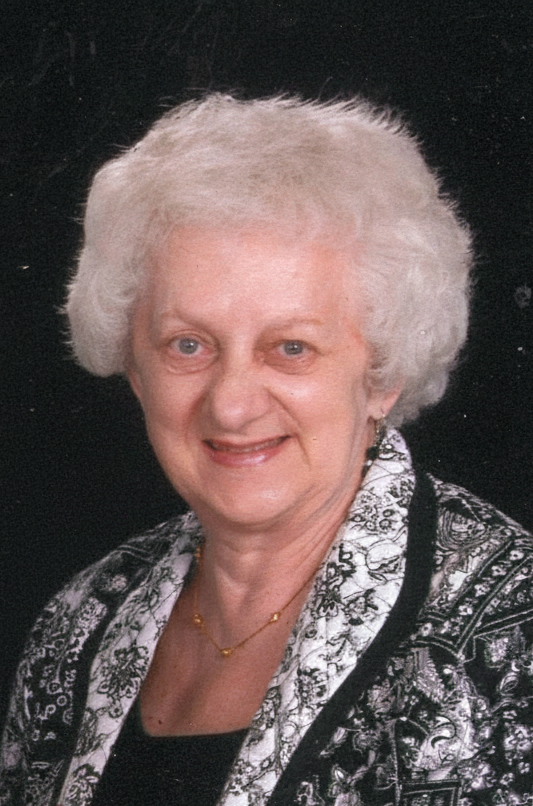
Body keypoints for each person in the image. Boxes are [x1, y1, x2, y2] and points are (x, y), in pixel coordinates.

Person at [2, 94, 533, 806]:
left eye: (290, 348)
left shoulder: (509, 637)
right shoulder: (80, 623)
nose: (231, 404)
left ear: (383, 375)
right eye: (187, 345)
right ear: (134, 366)